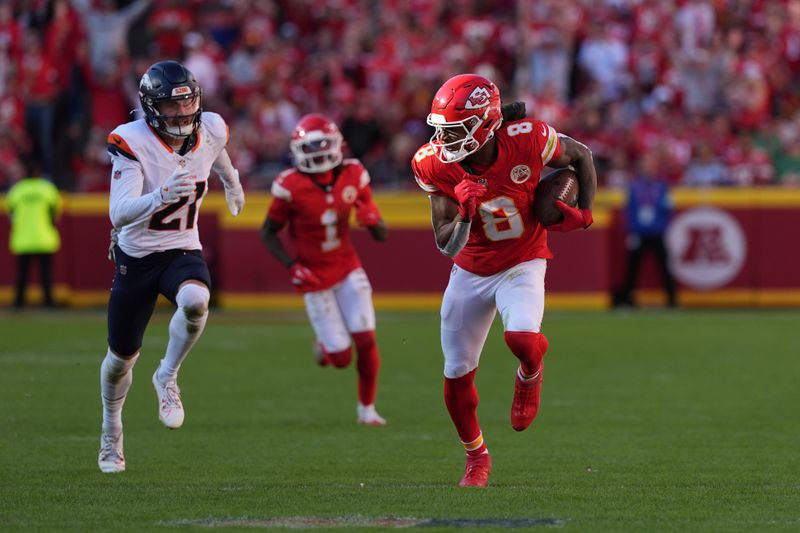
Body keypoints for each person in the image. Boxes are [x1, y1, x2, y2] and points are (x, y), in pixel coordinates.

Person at [411, 74, 597, 487]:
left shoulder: (527, 139)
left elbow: (581, 155)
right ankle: (477, 458)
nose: (444, 139)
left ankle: (531, 372)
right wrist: (462, 212)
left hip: (522, 260)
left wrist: (585, 211)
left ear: (484, 124)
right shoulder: (434, 162)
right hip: (471, 269)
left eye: (456, 129)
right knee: (457, 371)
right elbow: (444, 244)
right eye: (442, 129)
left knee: (523, 341)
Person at [98, 60, 245, 473]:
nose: (182, 115)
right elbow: (119, 213)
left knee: (197, 300)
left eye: (187, 104)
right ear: (150, 107)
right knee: (120, 359)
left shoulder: (211, 127)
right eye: (171, 107)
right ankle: (111, 432)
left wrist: (232, 183)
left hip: (182, 246)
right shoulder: (132, 141)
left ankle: (167, 375)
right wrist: (161, 194)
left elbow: (218, 155)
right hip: (138, 255)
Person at [260, 113, 388, 426]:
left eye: (322, 144)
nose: (317, 152)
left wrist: (373, 221)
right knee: (342, 359)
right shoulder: (289, 185)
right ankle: (325, 345)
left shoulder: (354, 172)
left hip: (346, 267)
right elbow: (267, 232)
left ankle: (367, 410)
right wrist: (292, 266)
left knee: (367, 339)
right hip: (313, 276)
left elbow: (381, 233)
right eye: (310, 146)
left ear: (336, 145)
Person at [616, 151, 677, 308]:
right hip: (639, 233)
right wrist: (631, 231)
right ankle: (627, 299)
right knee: (632, 268)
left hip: (657, 232)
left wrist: (663, 227)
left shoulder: (662, 186)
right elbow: (629, 210)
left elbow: (667, 209)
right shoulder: (635, 187)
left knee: (664, 267)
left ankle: (672, 299)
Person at [5, 169, 62, 308]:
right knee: (46, 274)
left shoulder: (17, 190)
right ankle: (48, 302)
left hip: (23, 239)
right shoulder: (47, 189)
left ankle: (19, 303)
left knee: (22, 274)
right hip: (44, 238)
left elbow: (11, 213)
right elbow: (55, 212)